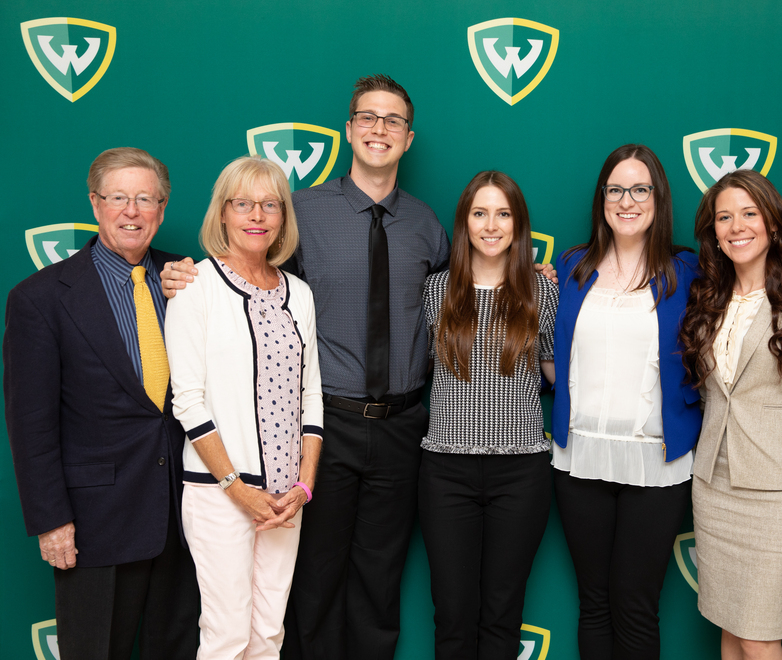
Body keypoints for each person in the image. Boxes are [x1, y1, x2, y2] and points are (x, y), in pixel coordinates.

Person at [163, 74, 450, 659]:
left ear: (408, 137)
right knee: (309, 583)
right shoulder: (303, 211)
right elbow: (246, 271)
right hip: (325, 427)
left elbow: (464, 292)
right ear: (348, 129)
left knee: (379, 579)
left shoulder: (427, 225)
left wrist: (537, 277)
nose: (379, 129)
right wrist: (179, 275)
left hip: (400, 425)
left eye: (392, 120)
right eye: (367, 117)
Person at [4, 147, 198, 660]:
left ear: (161, 207)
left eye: (145, 198)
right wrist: (51, 521)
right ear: (95, 204)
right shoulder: (41, 298)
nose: (131, 211)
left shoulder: (190, 282)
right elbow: (31, 423)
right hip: (95, 522)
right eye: (118, 198)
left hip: (185, 515)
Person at [164, 155, 323, 659]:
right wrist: (236, 487)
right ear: (224, 213)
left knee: (268, 634)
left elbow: (310, 395)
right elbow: (186, 401)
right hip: (219, 494)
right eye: (243, 203)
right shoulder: (196, 286)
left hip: (284, 500)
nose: (257, 215)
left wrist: (303, 485)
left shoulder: (298, 294)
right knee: (227, 635)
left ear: (282, 218)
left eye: (270, 205)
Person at [678, 169, 782, 660]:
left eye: (749, 213)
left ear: (772, 222)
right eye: (724, 217)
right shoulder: (708, 295)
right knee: (730, 627)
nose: (736, 226)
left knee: (758, 633)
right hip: (715, 484)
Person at [550, 144, 701, 659]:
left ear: (658, 198)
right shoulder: (572, 266)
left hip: (656, 459)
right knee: (593, 602)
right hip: (580, 457)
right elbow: (559, 357)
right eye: (616, 189)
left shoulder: (690, 272)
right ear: (602, 199)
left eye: (640, 189)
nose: (627, 200)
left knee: (636, 605)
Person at [419, 171, 558, 659]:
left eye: (504, 214)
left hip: (520, 472)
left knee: (502, 614)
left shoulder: (541, 292)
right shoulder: (435, 290)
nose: (492, 225)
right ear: (465, 223)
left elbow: (557, 373)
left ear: (519, 226)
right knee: (453, 614)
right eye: (480, 213)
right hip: (446, 471)